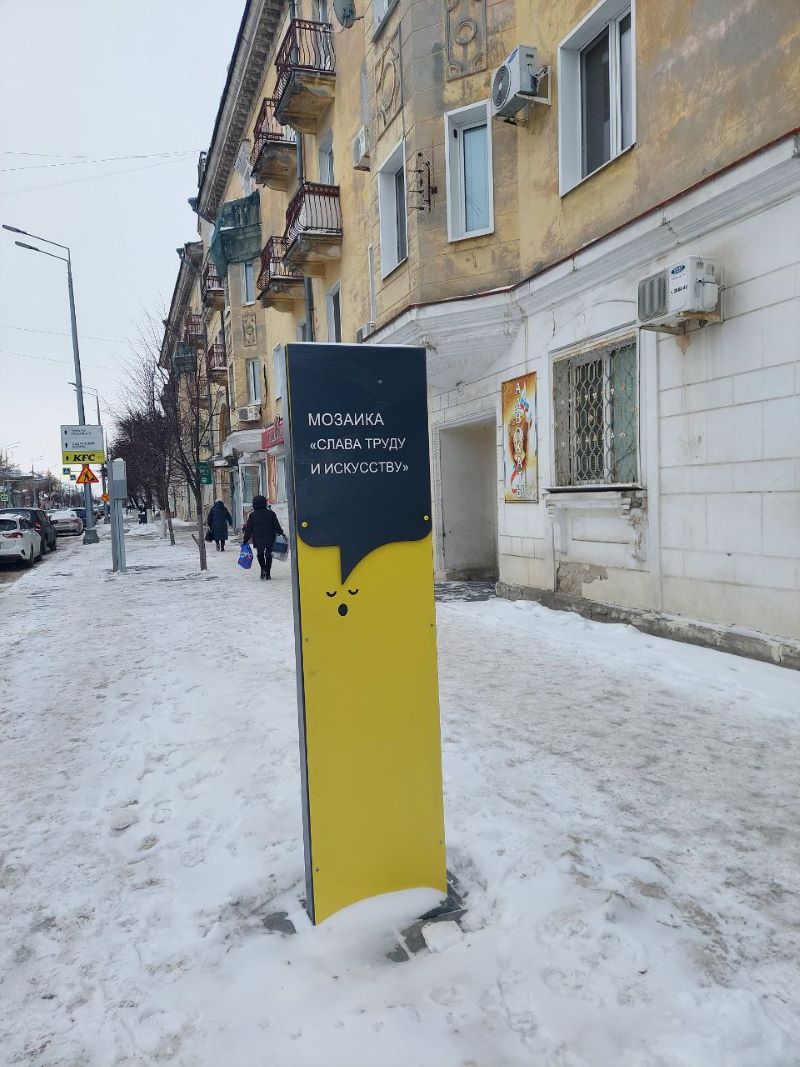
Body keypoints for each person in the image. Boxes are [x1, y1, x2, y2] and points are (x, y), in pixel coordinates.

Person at [242, 494, 284, 580]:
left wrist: (246, 539)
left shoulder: (252, 515)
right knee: (268, 554)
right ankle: (268, 573)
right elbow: (276, 525)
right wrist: (281, 532)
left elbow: (249, 529)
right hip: (270, 537)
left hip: (258, 538)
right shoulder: (271, 513)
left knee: (260, 554)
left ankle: (263, 569)